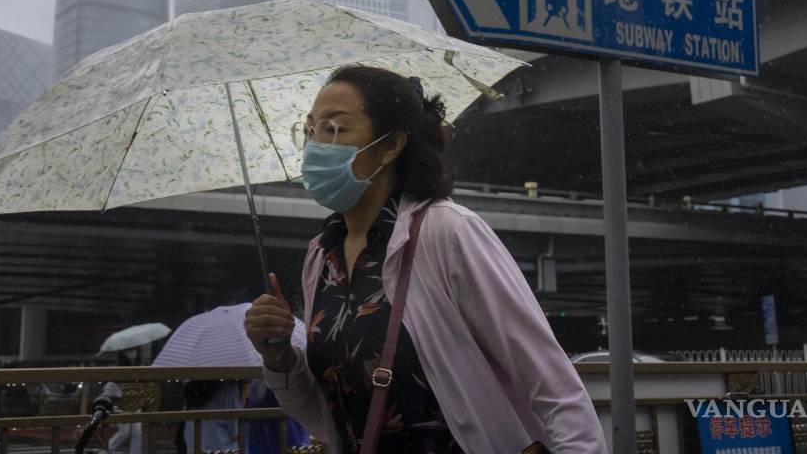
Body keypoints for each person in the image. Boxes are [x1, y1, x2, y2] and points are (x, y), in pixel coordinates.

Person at [245, 66, 606, 453]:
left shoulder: (446, 232)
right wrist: (278, 356)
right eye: (311, 130)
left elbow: (552, 384)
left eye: (335, 129)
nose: (317, 144)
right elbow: (330, 412)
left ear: (390, 146)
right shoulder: (321, 256)